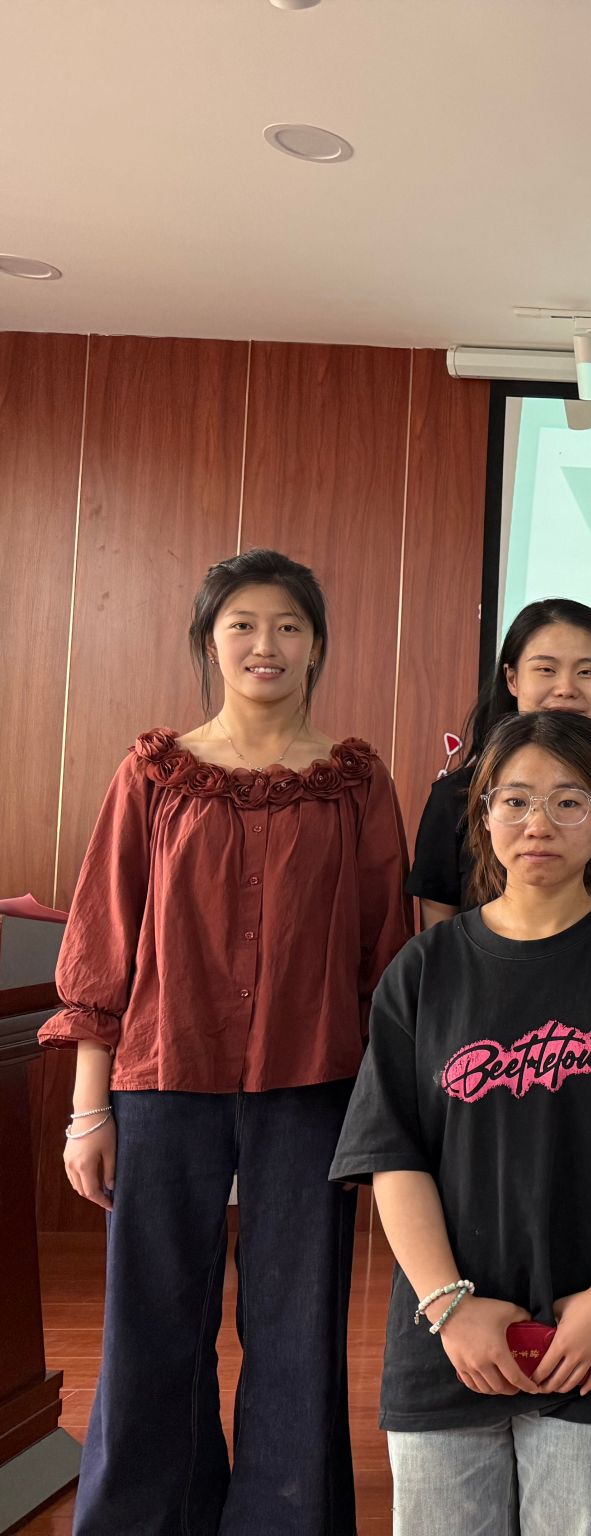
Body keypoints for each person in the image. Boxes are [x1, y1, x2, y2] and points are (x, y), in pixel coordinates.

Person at [44, 549, 411, 1535]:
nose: (265, 644)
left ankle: (285, 1518)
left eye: (289, 625)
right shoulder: (154, 773)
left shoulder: (353, 782)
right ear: (210, 642)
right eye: (242, 624)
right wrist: (88, 1110)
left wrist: (384, 1119)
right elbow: (105, 940)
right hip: (163, 1077)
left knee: (298, 1323)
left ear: (317, 646)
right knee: (152, 1317)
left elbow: (385, 955)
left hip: (313, 1085)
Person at [330, 710, 591, 1536]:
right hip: (445, 1343)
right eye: (514, 801)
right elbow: (392, 1156)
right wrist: (449, 1307)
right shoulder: (424, 969)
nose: (538, 823)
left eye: (568, 801)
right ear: (483, 817)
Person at [409, 597, 591, 927]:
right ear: (512, 678)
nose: (566, 688)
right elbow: (439, 942)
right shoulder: (455, 799)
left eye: (586, 672)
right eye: (546, 670)